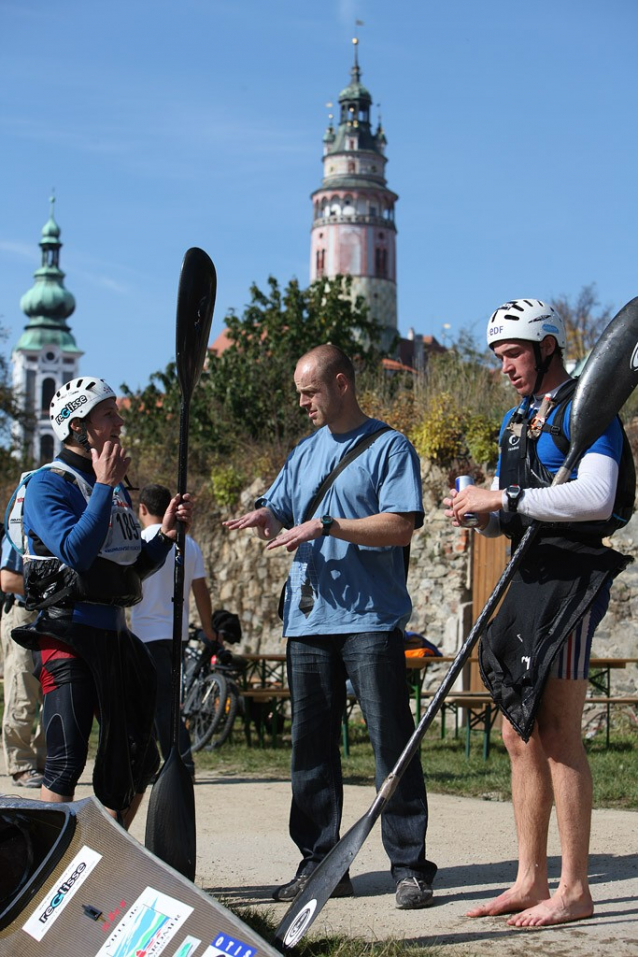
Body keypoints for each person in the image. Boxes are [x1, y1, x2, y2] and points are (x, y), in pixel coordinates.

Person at [224, 344, 437, 910]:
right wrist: (267, 516)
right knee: (310, 748)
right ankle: (321, 865)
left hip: (369, 621)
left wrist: (328, 525)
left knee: (392, 740)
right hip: (309, 620)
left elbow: (399, 527)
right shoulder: (303, 452)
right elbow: (287, 508)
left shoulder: (390, 447)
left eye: (309, 391)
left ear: (341, 383)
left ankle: (410, 866)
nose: (302, 403)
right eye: (299, 392)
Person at [444, 299, 629, 927]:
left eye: (514, 353)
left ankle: (575, 888)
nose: (505, 366)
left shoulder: (589, 407)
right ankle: (529, 878)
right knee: (515, 730)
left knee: (556, 729)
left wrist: (507, 495)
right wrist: (483, 511)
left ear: (548, 347)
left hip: (572, 579)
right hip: (528, 576)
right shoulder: (515, 421)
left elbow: (596, 495)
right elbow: (509, 510)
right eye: (498, 357)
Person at [11, 376, 192, 828]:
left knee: (138, 763)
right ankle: (47, 871)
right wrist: (103, 487)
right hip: (67, 633)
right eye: (108, 414)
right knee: (65, 761)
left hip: (115, 635)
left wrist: (164, 536)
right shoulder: (47, 486)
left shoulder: (109, 488)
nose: (119, 421)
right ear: (78, 427)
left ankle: (107, 855)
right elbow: (75, 551)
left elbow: (127, 573)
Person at [130, 483, 215, 775]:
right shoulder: (188, 543)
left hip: (144, 633)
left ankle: (179, 762)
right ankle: (164, 761)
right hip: (176, 634)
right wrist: (210, 630)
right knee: (166, 699)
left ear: (142, 509)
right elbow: (201, 590)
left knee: (155, 702)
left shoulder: (139, 541)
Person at [1, 534, 46, 788]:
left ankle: (43, 760)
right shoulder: (17, 531)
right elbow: (7, 580)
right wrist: (50, 585)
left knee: (53, 690)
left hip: (51, 613)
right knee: (22, 688)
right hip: (24, 614)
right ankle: (20, 763)